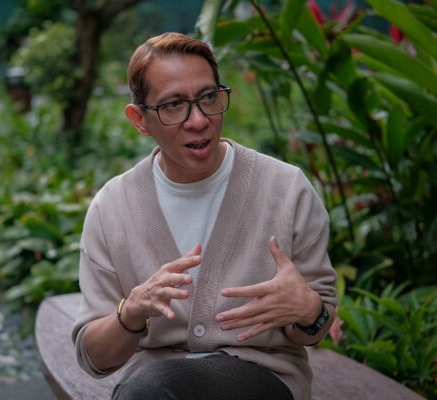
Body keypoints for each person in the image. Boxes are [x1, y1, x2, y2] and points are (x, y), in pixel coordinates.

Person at [72, 32, 337, 400]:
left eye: (209, 98)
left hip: (263, 378)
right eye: (173, 105)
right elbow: (94, 358)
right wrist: (131, 312)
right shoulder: (112, 207)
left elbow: (317, 327)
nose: (198, 120)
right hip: (150, 386)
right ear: (139, 119)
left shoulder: (286, 189)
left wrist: (308, 309)